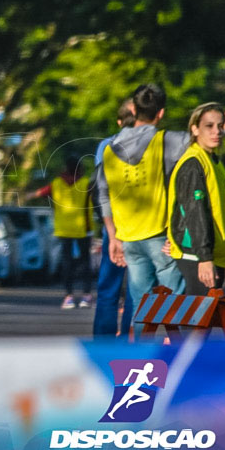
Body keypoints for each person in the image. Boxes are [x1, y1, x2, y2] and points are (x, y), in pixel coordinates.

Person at [97, 82, 225, 307]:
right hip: (159, 235)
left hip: (128, 237)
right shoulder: (165, 141)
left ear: (134, 110)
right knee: (176, 303)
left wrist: (112, 235)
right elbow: (209, 133)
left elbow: (104, 195)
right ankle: (171, 341)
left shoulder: (109, 148)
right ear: (161, 112)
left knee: (141, 304)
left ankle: (137, 342)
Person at [167, 103, 225, 295]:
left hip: (213, 254)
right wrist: (204, 258)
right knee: (198, 318)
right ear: (195, 128)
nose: (217, 131)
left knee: (204, 318)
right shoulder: (193, 163)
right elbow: (195, 212)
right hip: (197, 255)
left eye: (220, 125)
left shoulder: (212, 160)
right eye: (209, 126)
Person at [92, 99, 137, 338]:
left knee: (108, 289)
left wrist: (110, 233)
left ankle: (103, 344)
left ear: (119, 121)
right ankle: (130, 341)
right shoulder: (154, 145)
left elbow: (102, 190)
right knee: (135, 290)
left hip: (114, 226)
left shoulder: (106, 146)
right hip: (142, 227)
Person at [31, 156, 93, 309]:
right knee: (85, 262)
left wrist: (26, 195)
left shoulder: (57, 183)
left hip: (63, 228)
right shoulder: (86, 183)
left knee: (67, 262)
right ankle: (86, 296)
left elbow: (39, 193)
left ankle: (68, 296)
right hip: (83, 227)